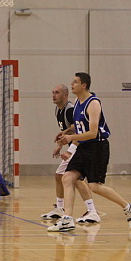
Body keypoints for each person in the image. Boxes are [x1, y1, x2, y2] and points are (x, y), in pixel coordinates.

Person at [48, 72, 131, 232]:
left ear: (84, 85)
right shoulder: (77, 102)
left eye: (75, 82)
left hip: (97, 147)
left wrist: (71, 138)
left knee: (95, 186)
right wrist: (66, 134)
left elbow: (92, 133)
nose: (72, 84)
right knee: (67, 178)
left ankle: (128, 207)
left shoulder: (93, 103)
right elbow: (79, 128)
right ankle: (67, 219)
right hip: (83, 147)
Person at [40, 84, 76, 220]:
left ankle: (91, 210)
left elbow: (76, 128)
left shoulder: (70, 109)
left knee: (76, 180)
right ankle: (60, 208)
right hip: (72, 146)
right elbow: (66, 132)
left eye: (57, 93)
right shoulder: (58, 110)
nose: (53, 95)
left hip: (79, 146)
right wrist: (60, 145)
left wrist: (64, 135)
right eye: (53, 92)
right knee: (62, 176)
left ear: (65, 95)